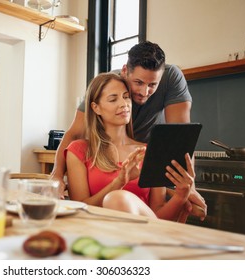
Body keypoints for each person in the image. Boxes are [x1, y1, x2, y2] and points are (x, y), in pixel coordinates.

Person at [52, 41, 203, 208]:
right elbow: (74, 133)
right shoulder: (108, 85)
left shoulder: (171, 77)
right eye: (138, 82)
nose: (144, 92)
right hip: (107, 153)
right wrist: (56, 175)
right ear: (125, 71)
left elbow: (180, 137)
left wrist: (190, 189)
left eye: (152, 85)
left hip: (145, 157)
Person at [64, 72, 199, 222]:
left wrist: (181, 196)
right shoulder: (78, 150)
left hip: (145, 233)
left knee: (117, 198)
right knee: (117, 197)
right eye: (113, 99)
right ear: (96, 108)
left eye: (126, 96)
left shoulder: (150, 151)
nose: (124, 104)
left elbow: (158, 216)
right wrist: (119, 183)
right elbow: (80, 207)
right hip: (96, 231)